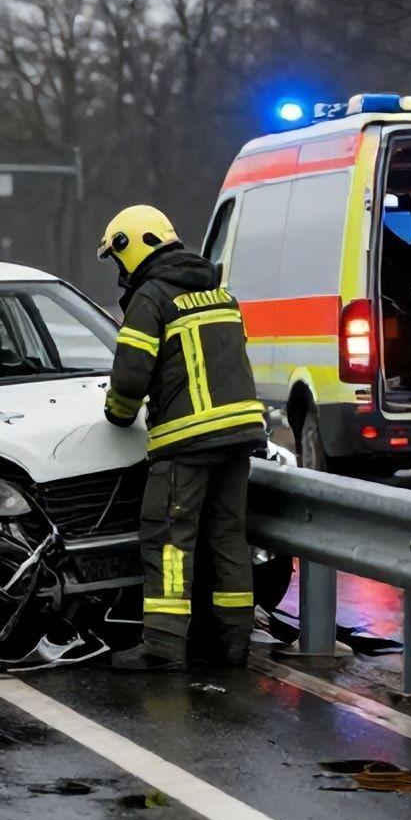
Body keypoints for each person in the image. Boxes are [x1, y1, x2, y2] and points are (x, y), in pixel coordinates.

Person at [98, 204, 266, 672]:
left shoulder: (150, 298)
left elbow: (130, 376)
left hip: (186, 442)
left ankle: (164, 647)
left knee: (169, 540)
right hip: (239, 436)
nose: (118, 269)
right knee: (229, 537)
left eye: (116, 257)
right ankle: (234, 645)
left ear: (132, 247)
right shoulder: (219, 291)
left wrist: (118, 414)